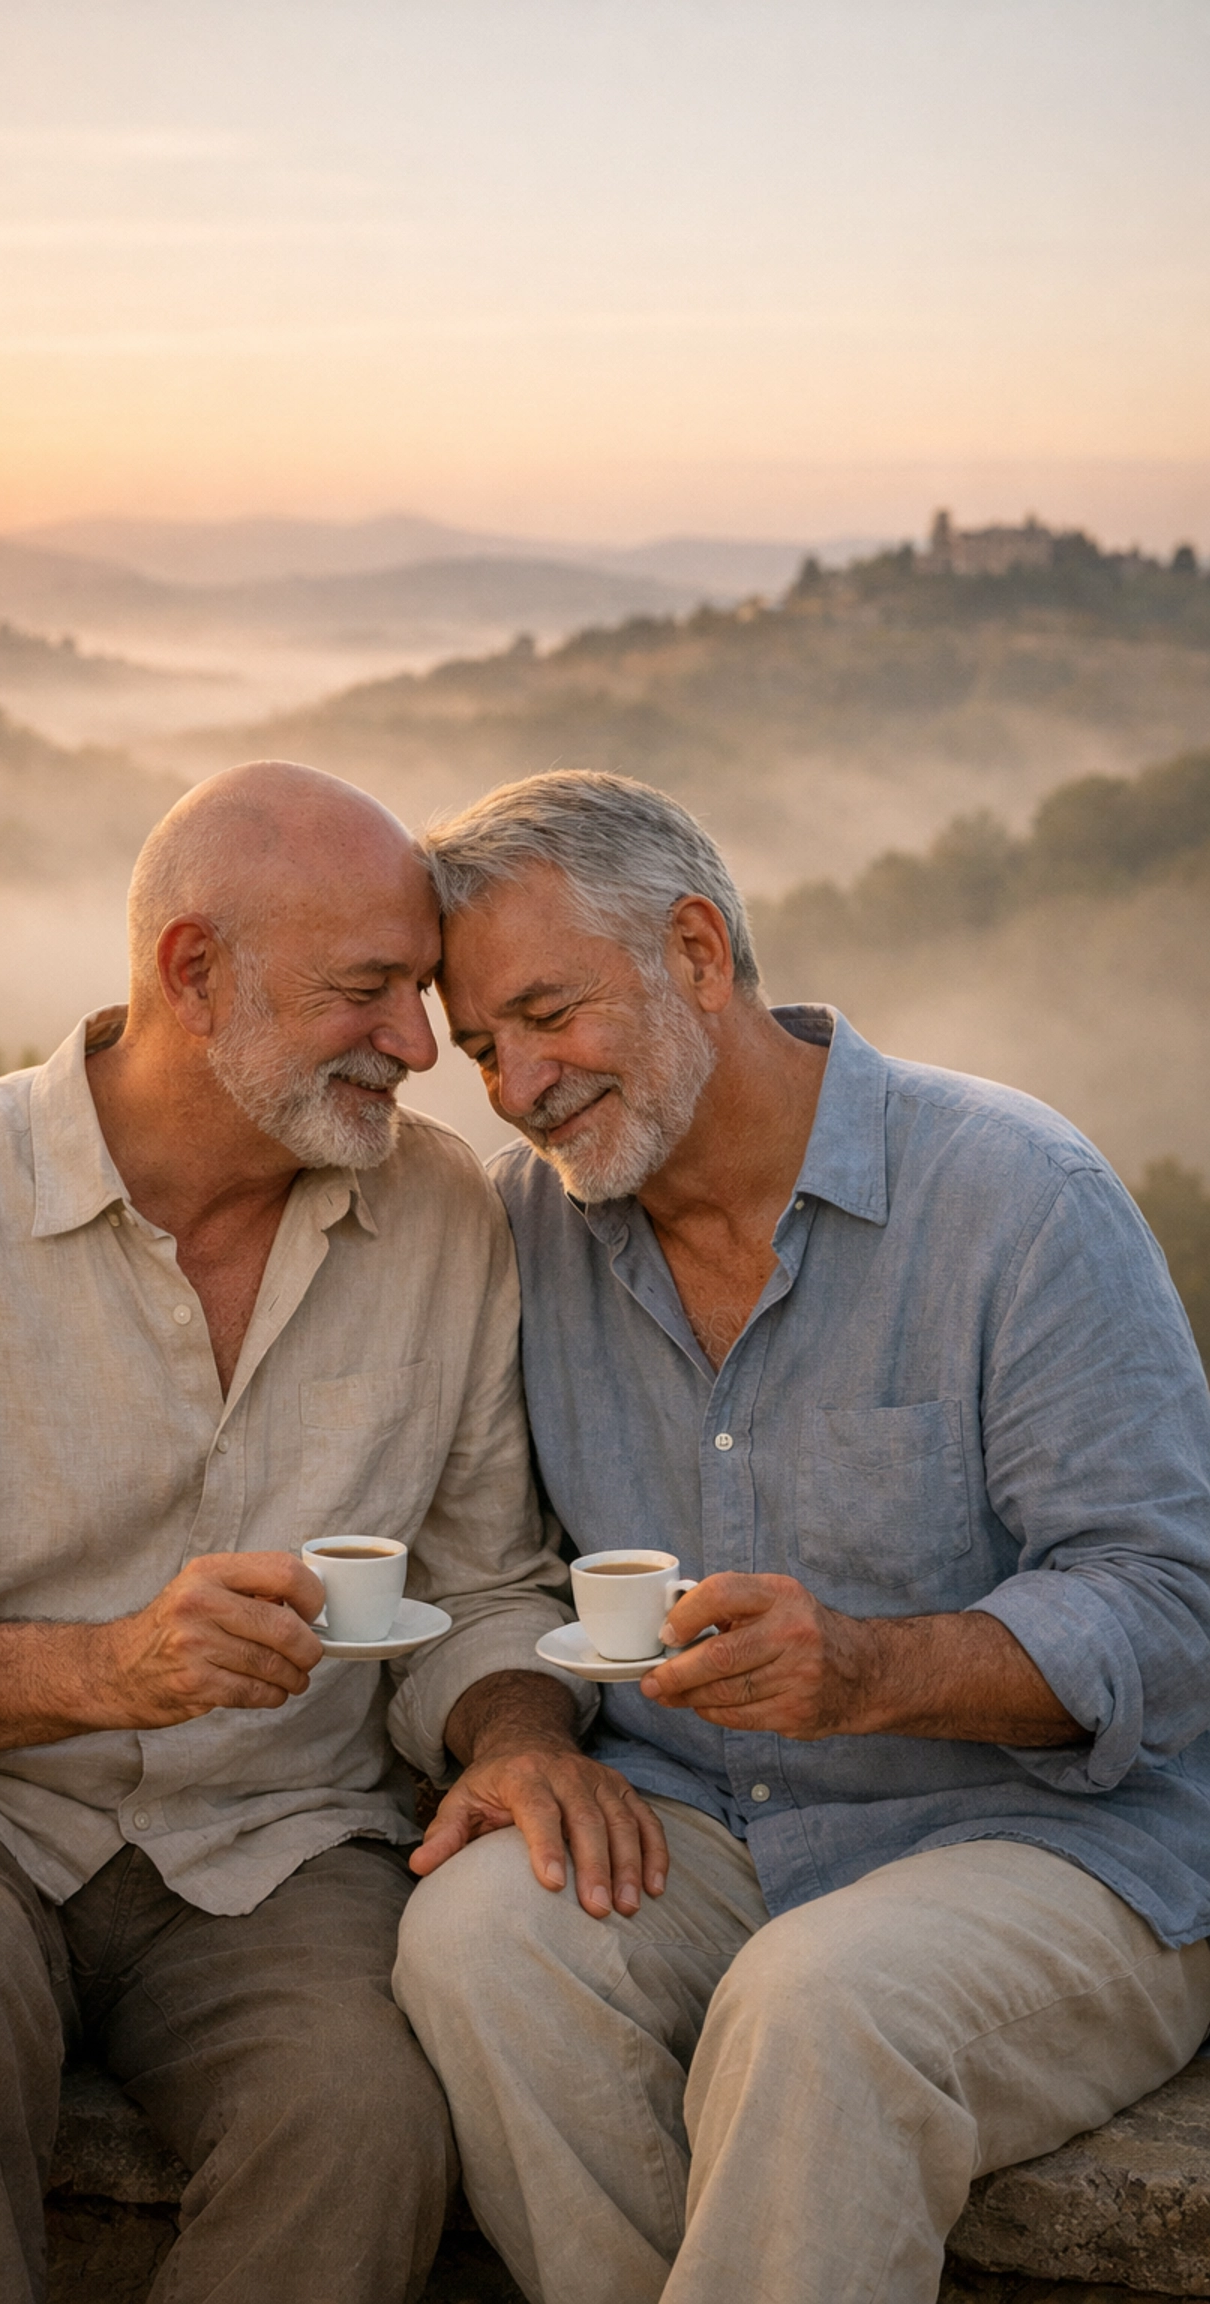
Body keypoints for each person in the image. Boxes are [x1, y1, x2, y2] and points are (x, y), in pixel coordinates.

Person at [0, 761, 652, 2304]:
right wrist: (106, 1672)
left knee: (365, 2115)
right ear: (193, 972)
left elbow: (482, 1584)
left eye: (420, 992)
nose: (420, 1046)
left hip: (280, 1839)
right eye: (366, 990)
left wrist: (521, 1737)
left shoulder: (442, 1217)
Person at [393, 769, 1210, 2304]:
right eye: (484, 1048)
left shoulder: (1019, 1197)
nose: (516, 1087)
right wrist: (521, 1738)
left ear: (698, 951)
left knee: (819, 2006)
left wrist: (870, 1669)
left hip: (1045, 1839)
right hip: (695, 1824)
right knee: (473, 1946)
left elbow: (1169, 1609)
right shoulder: (525, 1232)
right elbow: (484, 1577)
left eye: (550, 1015)